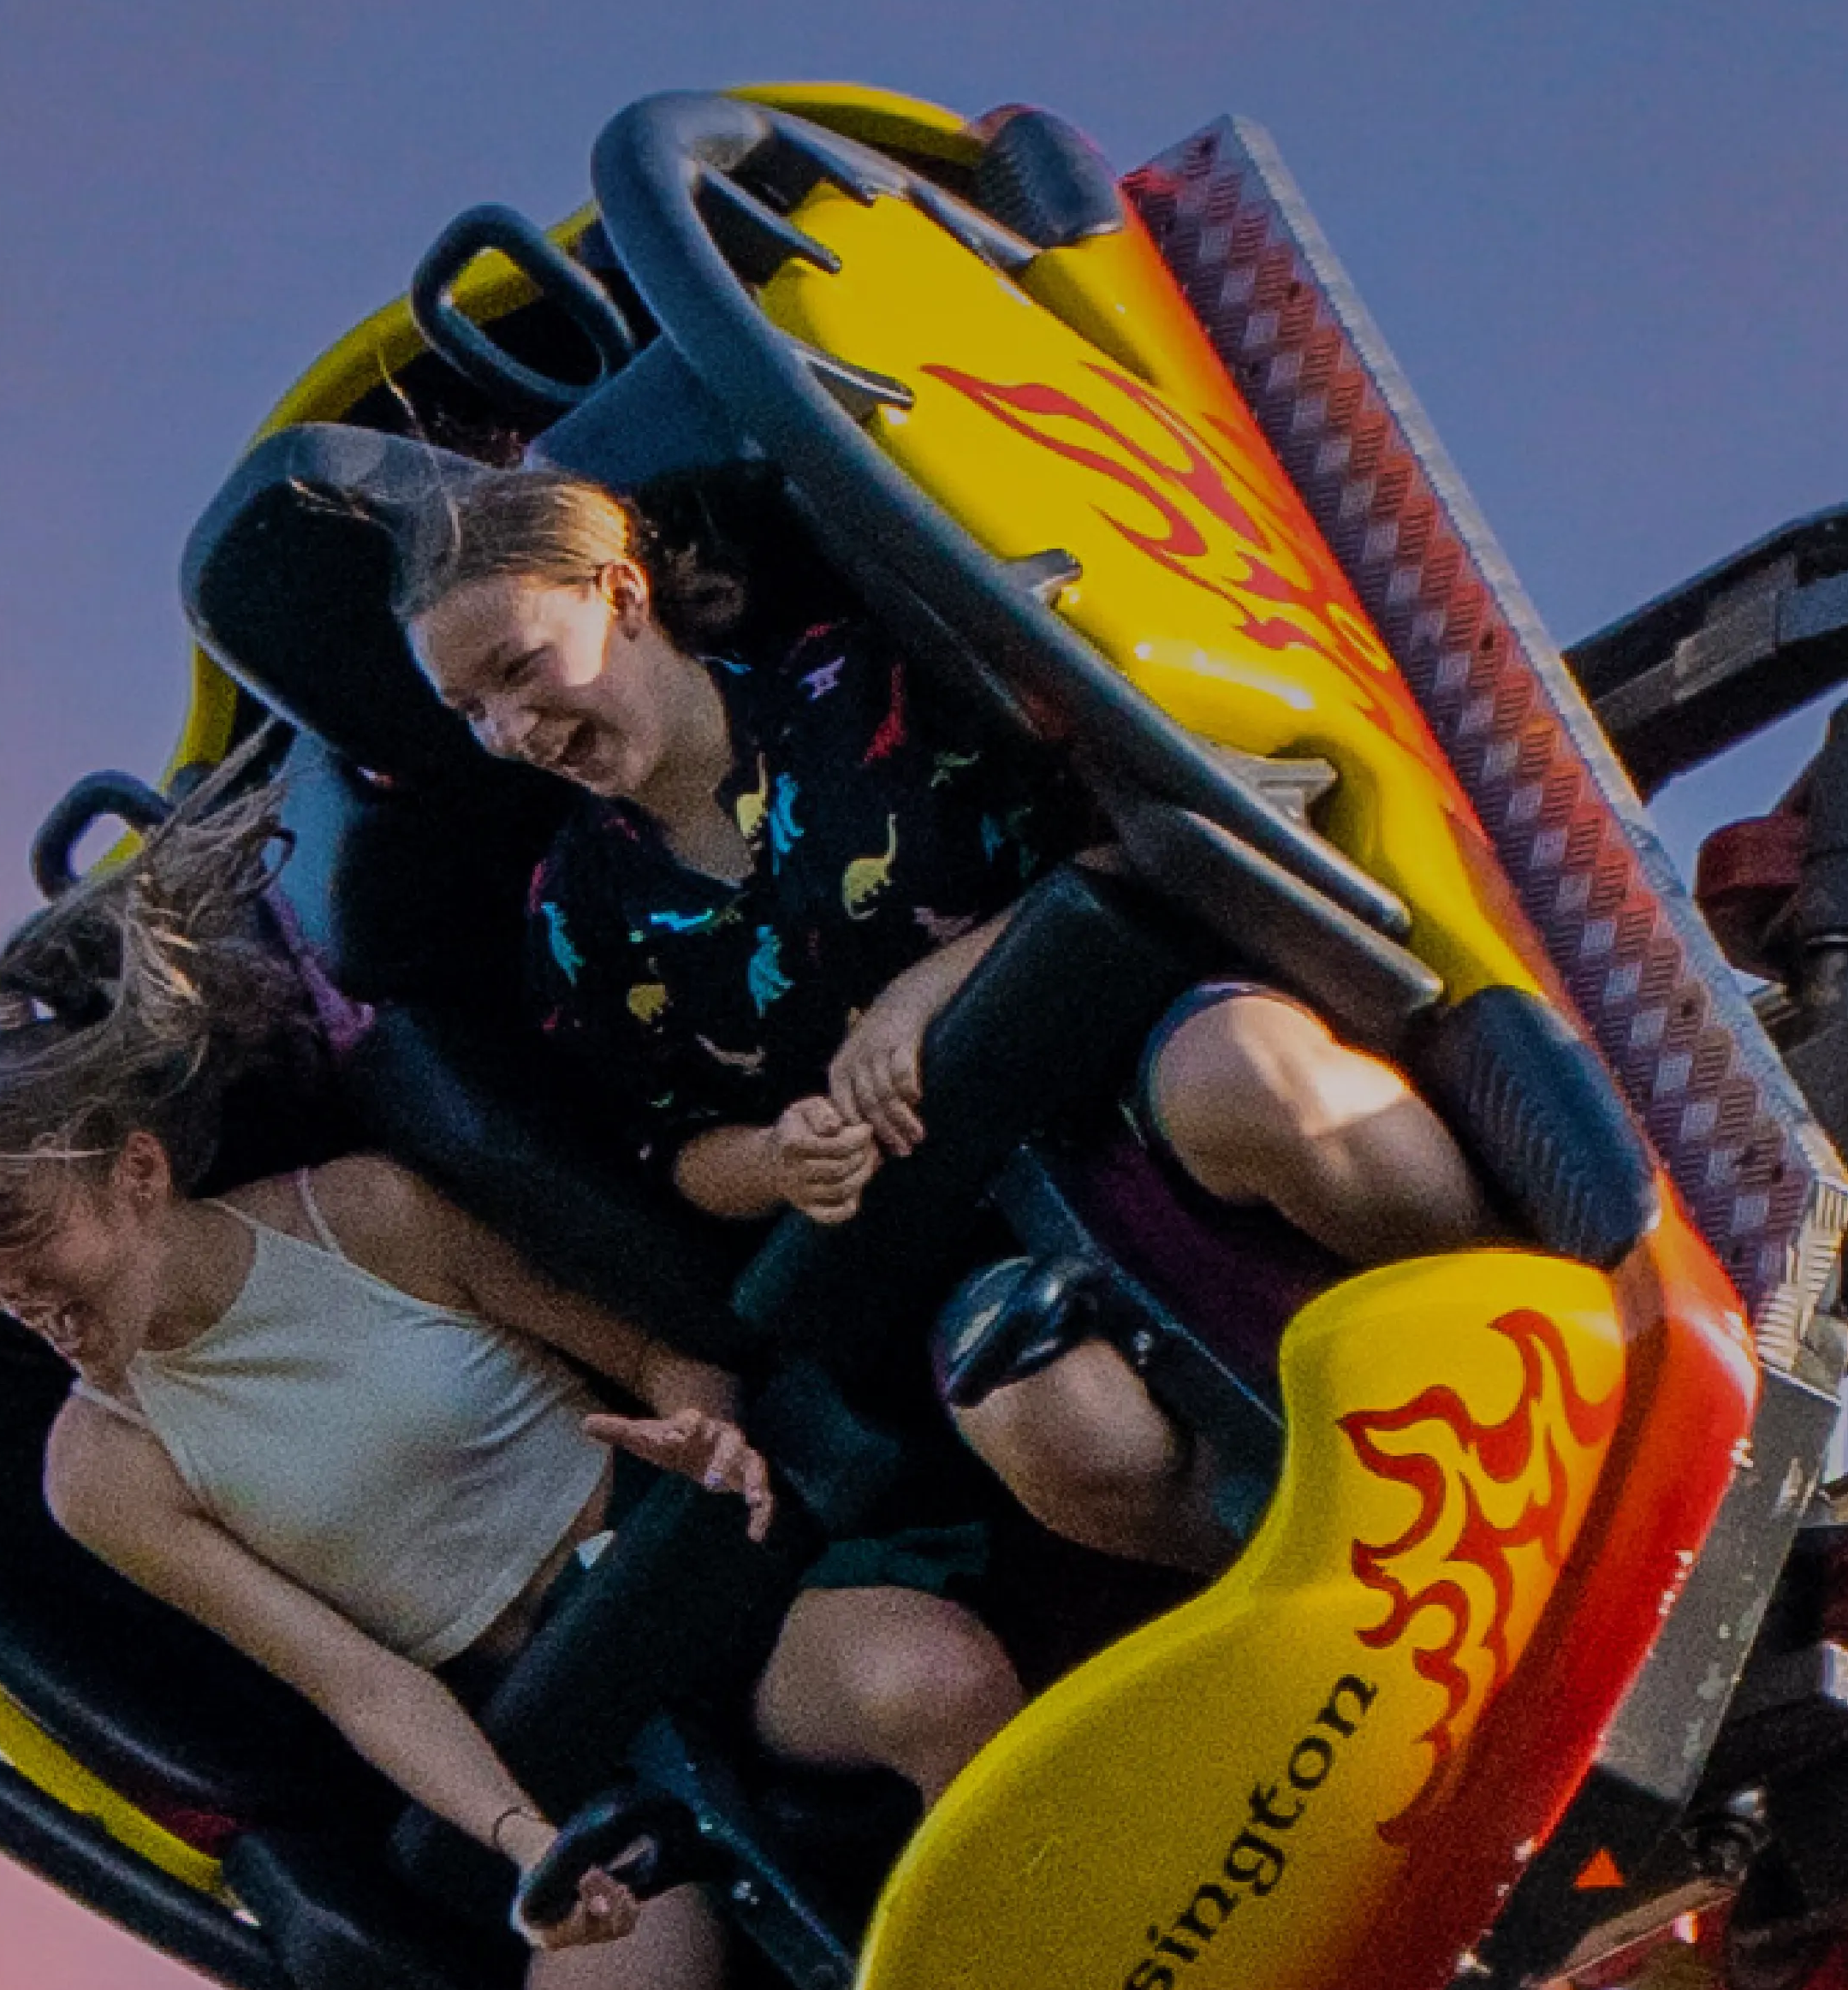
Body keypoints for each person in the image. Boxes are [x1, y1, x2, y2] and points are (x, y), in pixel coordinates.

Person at [0, 829, 1018, 1990]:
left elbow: (665, 1346)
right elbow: (356, 1681)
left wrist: (696, 1423)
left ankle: (1023, 1988)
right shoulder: (104, 1471)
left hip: (691, 1594)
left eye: (32, 1249)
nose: (19, 1298)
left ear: (136, 1175)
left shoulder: (361, 1217)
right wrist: (525, 1845)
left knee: (933, 1684)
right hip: (556, 1734)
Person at [396, 468, 1500, 1571]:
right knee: (1045, 1416)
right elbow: (674, 1150)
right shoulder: (575, 915)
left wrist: (931, 991)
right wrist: (782, 1159)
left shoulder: (858, 682)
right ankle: (1355, 1573)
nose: (511, 728)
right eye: (470, 712)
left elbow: (1134, 837)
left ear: (624, 595)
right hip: (957, 1216)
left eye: (520, 668)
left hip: (1126, 1061)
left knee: (1260, 1085)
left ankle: (1516, 1331)